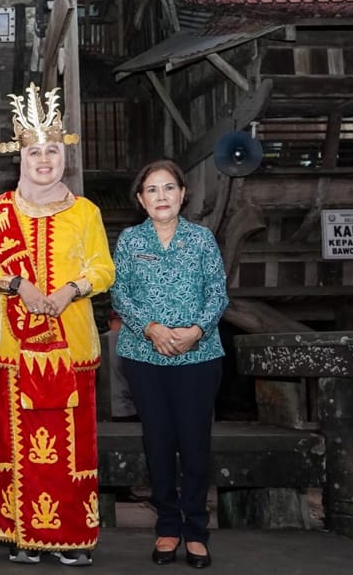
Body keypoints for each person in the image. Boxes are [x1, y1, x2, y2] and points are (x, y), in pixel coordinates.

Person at [0, 83, 115, 567]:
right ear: (21, 157)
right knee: (17, 443)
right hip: (13, 344)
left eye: (52, 150)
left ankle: (73, 536)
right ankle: (23, 535)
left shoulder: (85, 212)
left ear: (64, 155)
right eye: (35, 152)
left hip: (71, 344)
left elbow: (103, 268)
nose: (44, 160)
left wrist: (70, 290)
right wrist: (17, 285)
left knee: (73, 444)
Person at [110, 159, 228, 569]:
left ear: (182, 194)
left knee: (195, 446)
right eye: (152, 190)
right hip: (145, 356)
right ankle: (167, 526)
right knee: (158, 444)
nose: (161, 196)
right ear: (142, 201)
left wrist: (195, 330)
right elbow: (120, 294)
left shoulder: (202, 239)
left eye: (169, 188)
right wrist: (152, 330)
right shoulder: (129, 240)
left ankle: (196, 530)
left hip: (199, 354)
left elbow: (218, 293)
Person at [106, 311, 137, 421]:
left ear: (109, 323)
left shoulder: (98, 343)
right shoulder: (133, 344)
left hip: (104, 409)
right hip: (129, 408)